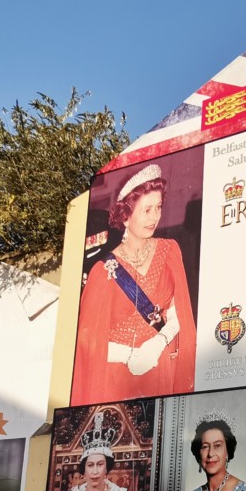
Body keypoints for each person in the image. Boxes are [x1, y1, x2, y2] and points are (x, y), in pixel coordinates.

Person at [73, 164, 197, 401]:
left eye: (158, 208)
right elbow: (89, 342)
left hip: (161, 365)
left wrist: (159, 342)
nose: (154, 217)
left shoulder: (169, 250)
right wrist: (131, 355)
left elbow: (179, 309)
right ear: (126, 216)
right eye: (146, 210)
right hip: (119, 377)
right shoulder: (102, 272)